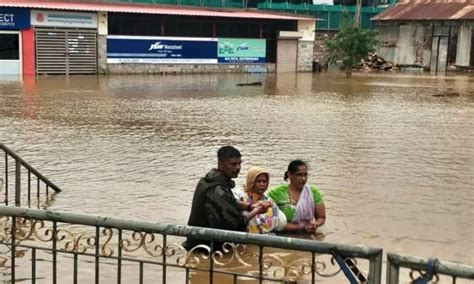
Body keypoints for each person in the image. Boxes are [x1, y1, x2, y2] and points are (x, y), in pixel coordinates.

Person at [183, 146, 265, 251]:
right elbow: (235, 224)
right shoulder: (218, 189)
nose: (238, 168)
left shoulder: (208, 180)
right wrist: (257, 210)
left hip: (198, 242)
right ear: (221, 164)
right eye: (233, 164)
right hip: (207, 249)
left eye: (240, 163)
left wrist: (250, 206)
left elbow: (229, 201)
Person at [266, 160, 326, 233]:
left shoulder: (313, 193)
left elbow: (321, 217)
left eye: (305, 175)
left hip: (307, 234)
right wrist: (302, 227)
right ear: (289, 174)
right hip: (282, 236)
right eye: (299, 175)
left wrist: (315, 224)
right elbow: (271, 220)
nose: (303, 178)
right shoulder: (276, 193)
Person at [240, 166, 287, 234]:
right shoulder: (241, 197)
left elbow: (281, 223)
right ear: (251, 182)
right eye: (258, 181)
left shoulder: (270, 202)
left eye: (264, 181)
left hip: (265, 239)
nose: (262, 184)